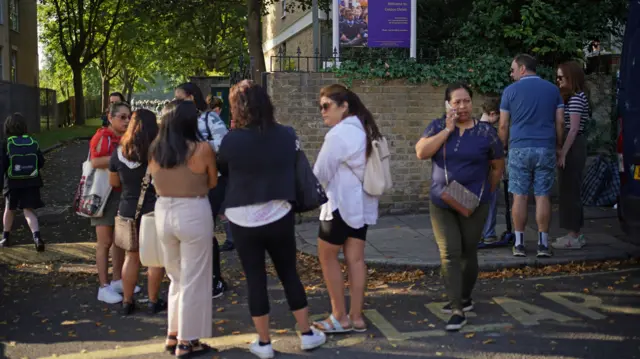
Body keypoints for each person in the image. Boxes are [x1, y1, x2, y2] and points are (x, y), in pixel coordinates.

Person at [217, 80, 326, 358]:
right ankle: (307, 333)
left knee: (255, 279)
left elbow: (222, 169)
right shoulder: (286, 135)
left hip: (242, 218)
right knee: (289, 272)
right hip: (279, 213)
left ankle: (264, 343)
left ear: (236, 108)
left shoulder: (231, 140)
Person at [416, 83, 505, 331]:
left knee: (468, 253)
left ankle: (465, 297)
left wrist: (486, 192)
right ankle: (456, 308)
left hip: (474, 202)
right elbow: (421, 152)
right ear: (448, 104)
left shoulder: (486, 133)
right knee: (449, 254)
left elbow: (498, 166)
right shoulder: (437, 126)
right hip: (441, 200)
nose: (462, 106)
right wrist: (447, 130)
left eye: (466, 101)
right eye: (457, 102)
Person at [150, 100, 218, 357]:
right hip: (193, 210)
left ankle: (173, 333)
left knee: (176, 277)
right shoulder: (202, 148)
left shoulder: (155, 149)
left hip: (163, 210)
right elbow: (212, 182)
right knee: (194, 278)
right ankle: (187, 341)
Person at [311, 84, 380, 334]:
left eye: (327, 106)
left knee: (327, 257)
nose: (322, 111)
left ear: (344, 106)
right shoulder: (365, 128)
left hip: (339, 205)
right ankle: (356, 317)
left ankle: (339, 316)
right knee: (356, 260)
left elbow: (319, 173)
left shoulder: (339, 134)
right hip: (362, 206)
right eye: (321, 107)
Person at [498, 54, 564, 258]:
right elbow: (560, 122)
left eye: (513, 69)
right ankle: (543, 244)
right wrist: (559, 145)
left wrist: (502, 148)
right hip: (545, 147)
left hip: (518, 148)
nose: (511, 74)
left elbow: (503, 125)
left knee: (520, 195)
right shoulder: (553, 90)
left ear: (523, 69)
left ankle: (519, 243)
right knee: (543, 195)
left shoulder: (510, 91)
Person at [108, 109, 166, 315]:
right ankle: (152, 301)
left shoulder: (118, 152)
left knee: (130, 258)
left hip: (127, 209)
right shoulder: (158, 152)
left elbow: (114, 183)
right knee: (155, 258)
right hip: (152, 211)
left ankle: (127, 301)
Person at [175, 83, 228, 298]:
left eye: (179, 97)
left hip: (211, 179)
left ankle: (214, 279)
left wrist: (200, 149)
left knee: (206, 230)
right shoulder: (177, 120)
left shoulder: (209, 118)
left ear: (189, 97)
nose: (176, 101)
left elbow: (224, 142)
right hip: (187, 181)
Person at [90, 102, 140, 304]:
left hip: (120, 192)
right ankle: (103, 286)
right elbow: (95, 161)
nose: (127, 121)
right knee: (104, 242)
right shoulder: (102, 137)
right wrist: (119, 157)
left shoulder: (125, 138)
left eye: (129, 117)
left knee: (119, 240)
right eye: (122, 117)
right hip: (103, 195)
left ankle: (117, 279)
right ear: (110, 118)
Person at [552, 61, 590, 249]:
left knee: (570, 190)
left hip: (573, 146)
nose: (558, 81)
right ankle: (574, 233)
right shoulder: (578, 97)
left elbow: (573, 129)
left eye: (561, 77)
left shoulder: (575, 98)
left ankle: (573, 235)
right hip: (574, 145)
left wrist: (563, 153)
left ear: (571, 77)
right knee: (569, 189)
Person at [0, 113, 46, 251]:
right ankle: (37, 237)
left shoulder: (6, 143)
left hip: (13, 183)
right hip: (31, 182)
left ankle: (6, 237)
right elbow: (41, 162)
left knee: (10, 209)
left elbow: (2, 165)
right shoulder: (32, 142)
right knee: (29, 210)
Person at [206, 94, 235, 252]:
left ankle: (230, 239)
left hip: (220, 172)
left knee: (221, 209)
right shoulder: (218, 125)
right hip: (218, 171)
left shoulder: (210, 126)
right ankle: (229, 239)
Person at [479, 97, 501, 245]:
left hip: (475, 172)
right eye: (498, 117)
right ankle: (488, 234)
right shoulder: (491, 132)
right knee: (491, 201)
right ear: (492, 114)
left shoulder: (473, 128)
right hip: (489, 171)